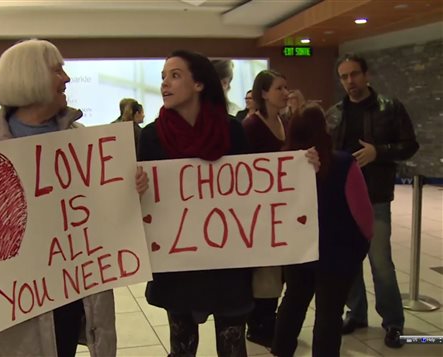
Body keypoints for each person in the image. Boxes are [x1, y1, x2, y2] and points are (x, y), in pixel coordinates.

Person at [0, 39, 148, 357]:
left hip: (67, 294)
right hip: (9, 302)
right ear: (30, 76)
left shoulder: (80, 139)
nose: (66, 79)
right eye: (58, 70)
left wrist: (128, 191)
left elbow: (104, 219)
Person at [138, 50, 252, 357]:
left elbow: (256, 188)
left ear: (199, 84)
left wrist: (305, 164)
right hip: (178, 263)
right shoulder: (150, 138)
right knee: (182, 348)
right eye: (163, 77)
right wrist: (135, 189)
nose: (165, 84)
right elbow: (141, 204)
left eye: (175, 75)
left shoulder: (231, 131)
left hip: (228, 261)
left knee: (232, 347)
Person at [326, 53, 419, 348]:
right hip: (343, 198)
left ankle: (393, 322)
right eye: (344, 76)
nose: (350, 81)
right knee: (350, 260)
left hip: (375, 195)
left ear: (366, 75)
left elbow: (409, 145)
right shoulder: (336, 111)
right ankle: (356, 313)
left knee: (380, 262)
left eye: (354, 74)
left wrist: (379, 151)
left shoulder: (389, 108)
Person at [271, 103, 373, 357]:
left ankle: (281, 351)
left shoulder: (281, 167)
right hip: (338, 253)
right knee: (329, 314)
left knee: (293, 303)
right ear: (324, 129)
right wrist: (362, 243)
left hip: (298, 251)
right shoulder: (343, 164)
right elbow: (363, 215)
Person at [241, 69, 289, 348]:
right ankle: (259, 323)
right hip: (260, 210)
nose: (285, 93)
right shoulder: (252, 126)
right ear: (264, 93)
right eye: (279, 88)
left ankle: (268, 319)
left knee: (278, 268)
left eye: (285, 87)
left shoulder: (284, 122)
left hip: (281, 209)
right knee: (264, 270)